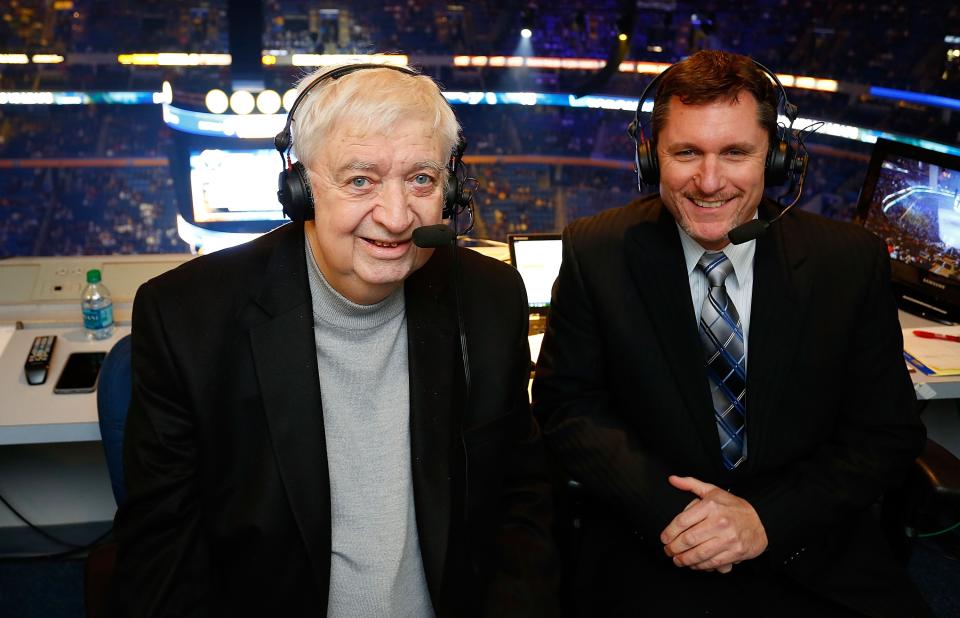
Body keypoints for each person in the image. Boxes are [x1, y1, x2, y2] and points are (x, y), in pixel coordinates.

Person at [112, 64, 557, 617]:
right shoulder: (186, 317)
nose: (396, 218)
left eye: (421, 179)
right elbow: (163, 559)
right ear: (300, 189)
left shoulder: (490, 298)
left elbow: (521, 503)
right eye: (360, 180)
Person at [532, 50, 930, 616]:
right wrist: (681, 520)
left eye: (736, 153)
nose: (709, 181)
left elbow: (885, 434)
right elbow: (568, 407)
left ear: (778, 158)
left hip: (807, 550)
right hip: (656, 546)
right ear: (651, 157)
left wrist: (765, 519)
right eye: (686, 152)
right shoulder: (596, 249)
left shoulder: (848, 259)